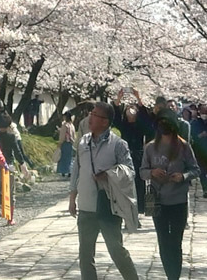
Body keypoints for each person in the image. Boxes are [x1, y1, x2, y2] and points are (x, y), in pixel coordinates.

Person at [69, 102, 140, 280]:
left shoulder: (118, 144)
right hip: (86, 205)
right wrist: (72, 197)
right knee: (85, 254)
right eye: (90, 114)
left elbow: (130, 171)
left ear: (105, 122)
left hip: (108, 205)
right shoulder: (83, 142)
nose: (90, 118)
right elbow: (76, 170)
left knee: (116, 250)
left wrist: (108, 175)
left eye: (95, 115)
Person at [139, 115, 200, 280]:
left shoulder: (184, 147)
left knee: (175, 241)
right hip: (156, 198)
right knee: (163, 240)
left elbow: (195, 169)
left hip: (178, 199)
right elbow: (142, 172)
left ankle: (175, 276)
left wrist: (183, 176)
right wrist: (152, 172)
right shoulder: (150, 148)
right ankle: (170, 275)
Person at [113, 88, 154, 213]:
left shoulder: (141, 125)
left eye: (133, 108)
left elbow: (147, 118)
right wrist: (118, 99)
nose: (131, 110)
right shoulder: (123, 124)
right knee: (125, 184)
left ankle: (139, 208)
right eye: (128, 108)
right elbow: (115, 117)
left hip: (138, 155)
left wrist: (138, 98)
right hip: (124, 156)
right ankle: (127, 209)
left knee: (139, 183)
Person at [0, 113, 29, 225]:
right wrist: (23, 165)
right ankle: (10, 218)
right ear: (9, 125)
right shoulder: (11, 136)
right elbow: (17, 152)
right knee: (9, 192)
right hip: (9, 166)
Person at [190, 104, 207, 197]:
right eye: (203, 112)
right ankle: (204, 188)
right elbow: (192, 136)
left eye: (206, 112)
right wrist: (200, 135)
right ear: (199, 112)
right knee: (201, 169)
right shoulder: (195, 123)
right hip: (199, 149)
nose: (205, 114)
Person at [57, 112, 77, 178]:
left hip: (65, 142)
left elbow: (62, 135)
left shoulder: (65, 125)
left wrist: (60, 143)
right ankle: (70, 171)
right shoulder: (72, 125)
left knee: (63, 158)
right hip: (71, 143)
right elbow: (74, 135)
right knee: (70, 158)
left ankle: (63, 171)